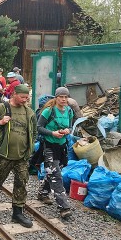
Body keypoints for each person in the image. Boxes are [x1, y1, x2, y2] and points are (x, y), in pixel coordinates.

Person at [0, 84, 38, 228]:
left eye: (27, 97)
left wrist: (30, 148)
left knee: (21, 182)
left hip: (22, 156)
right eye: (22, 97)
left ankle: (17, 212)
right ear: (14, 94)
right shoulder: (2, 107)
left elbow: (34, 131)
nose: (25, 100)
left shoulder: (29, 112)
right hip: (4, 154)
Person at [35, 87, 75, 219]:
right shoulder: (49, 111)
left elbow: (70, 126)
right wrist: (52, 133)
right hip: (49, 147)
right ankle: (64, 207)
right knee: (56, 174)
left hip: (62, 147)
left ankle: (43, 192)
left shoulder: (69, 110)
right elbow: (39, 127)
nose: (63, 99)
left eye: (65, 97)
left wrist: (68, 130)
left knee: (53, 171)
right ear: (56, 98)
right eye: (61, 97)